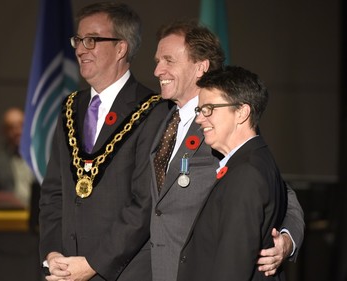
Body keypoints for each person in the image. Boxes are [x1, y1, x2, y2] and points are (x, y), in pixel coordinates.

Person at [149, 20, 304, 281]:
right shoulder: (155, 118)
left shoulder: (226, 129)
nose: (157, 70)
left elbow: (277, 191)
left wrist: (287, 241)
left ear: (201, 67)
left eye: (168, 60)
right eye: (157, 60)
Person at [38, 2, 169, 281]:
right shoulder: (70, 106)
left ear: (121, 48)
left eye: (91, 40)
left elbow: (145, 203)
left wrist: (94, 263)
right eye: (78, 40)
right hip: (64, 271)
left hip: (121, 272)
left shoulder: (155, 111)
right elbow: (53, 193)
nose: (79, 49)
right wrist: (52, 254)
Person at [177, 65, 287, 280]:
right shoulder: (253, 160)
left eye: (209, 108)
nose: (200, 119)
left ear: (242, 112)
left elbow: (232, 266)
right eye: (200, 110)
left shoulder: (247, 173)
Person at [0, 107, 36, 207]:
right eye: (11, 127)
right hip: (7, 216)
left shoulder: (38, 158)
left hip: (37, 216)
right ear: (4, 131)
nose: (17, 131)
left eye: (21, 125)